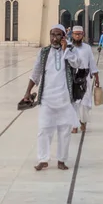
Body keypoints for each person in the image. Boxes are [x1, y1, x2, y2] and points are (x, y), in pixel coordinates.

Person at [23, 24, 80, 171]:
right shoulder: (44, 52)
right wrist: (27, 92)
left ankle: (61, 160)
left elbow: (77, 63)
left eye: (57, 35)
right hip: (47, 98)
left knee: (64, 131)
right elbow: (35, 73)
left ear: (63, 36)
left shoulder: (70, 50)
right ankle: (43, 159)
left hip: (65, 98)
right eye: (52, 35)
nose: (54, 38)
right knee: (43, 129)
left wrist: (65, 49)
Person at [71, 26, 99, 133]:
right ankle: (74, 125)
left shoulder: (87, 48)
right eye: (75, 34)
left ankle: (83, 121)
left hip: (85, 77)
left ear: (83, 35)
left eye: (79, 34)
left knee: (84, 102)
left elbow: (91, 62)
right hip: (72, 78)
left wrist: (96, 77)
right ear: (72, 35)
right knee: (73, 102)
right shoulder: (68, 47)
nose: (77, 36)